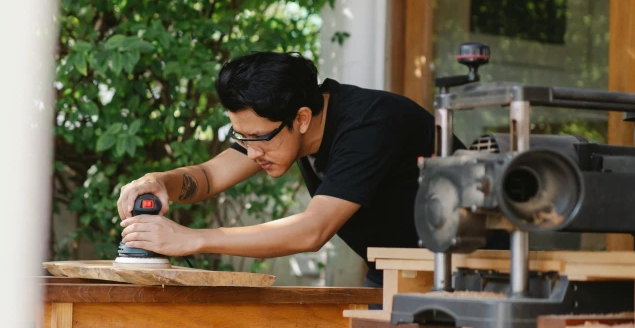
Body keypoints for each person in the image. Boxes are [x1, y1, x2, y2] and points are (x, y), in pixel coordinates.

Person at [117, 51, 464, 291]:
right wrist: (161, 182)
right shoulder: (279, 124)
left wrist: (192, 238)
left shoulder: (368, 124)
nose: (251, 153)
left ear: (301, 118)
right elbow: (208, 177)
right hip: (397, 270)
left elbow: (311, 231)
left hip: (474, 268)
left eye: (257, 138)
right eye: (242, 137)